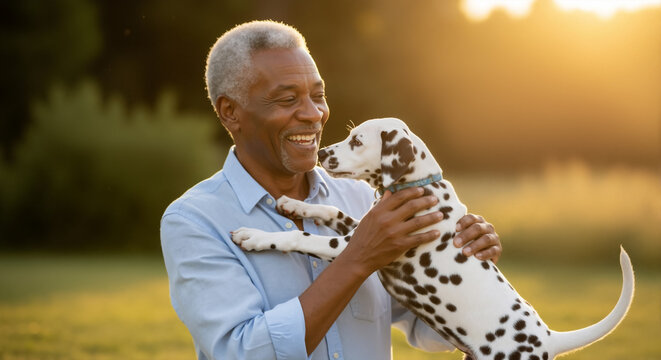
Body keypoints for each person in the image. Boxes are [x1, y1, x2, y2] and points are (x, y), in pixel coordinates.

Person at [161, 20, 502, 360]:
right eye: (287, 98)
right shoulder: (194, 221)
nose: (314, 113)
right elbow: (242, 352)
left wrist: (466, 266)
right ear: (230, 112)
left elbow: (425, 322)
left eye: (318, 95)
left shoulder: (364, 197)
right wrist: (359, 256)